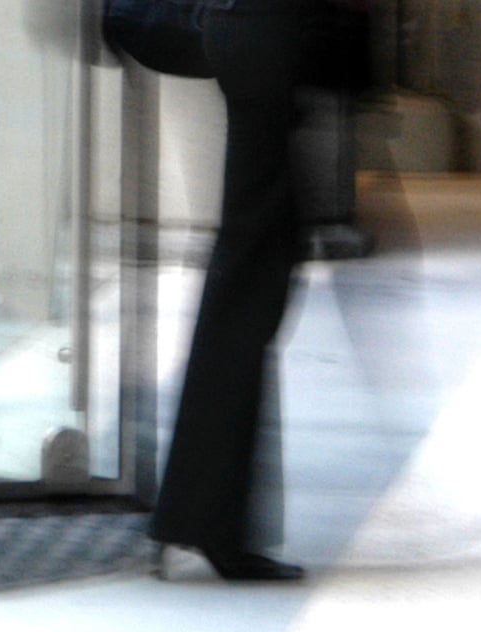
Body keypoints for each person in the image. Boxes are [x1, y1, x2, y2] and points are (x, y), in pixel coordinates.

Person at [106, 0, 370, 582]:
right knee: (248, 279)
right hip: (261, 34)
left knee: (252, 273)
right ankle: (204, 521)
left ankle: (202, 517)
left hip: (257, 35)